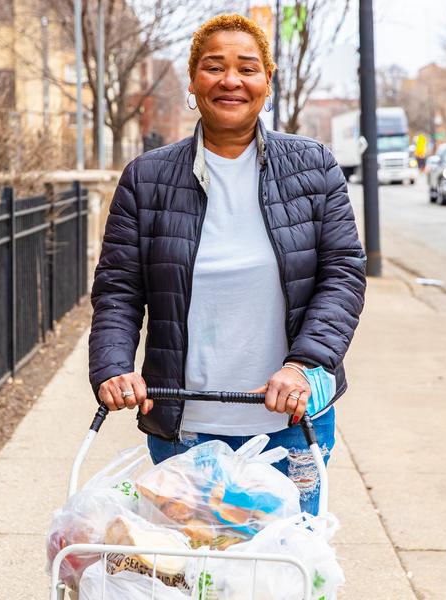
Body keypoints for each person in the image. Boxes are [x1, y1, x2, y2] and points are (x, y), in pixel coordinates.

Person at [88, 14, 366, 515]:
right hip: (184, 424)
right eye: (214, 67)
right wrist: (112, 367)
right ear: (193, 83)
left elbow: (343, 273)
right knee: (196, 576)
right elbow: (119, 290)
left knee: (286, 571)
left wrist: (303, 366)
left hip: (294, 421)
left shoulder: (313, 166)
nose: (231, 80)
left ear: (267, 82)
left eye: (248, 68)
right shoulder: (146, 178)